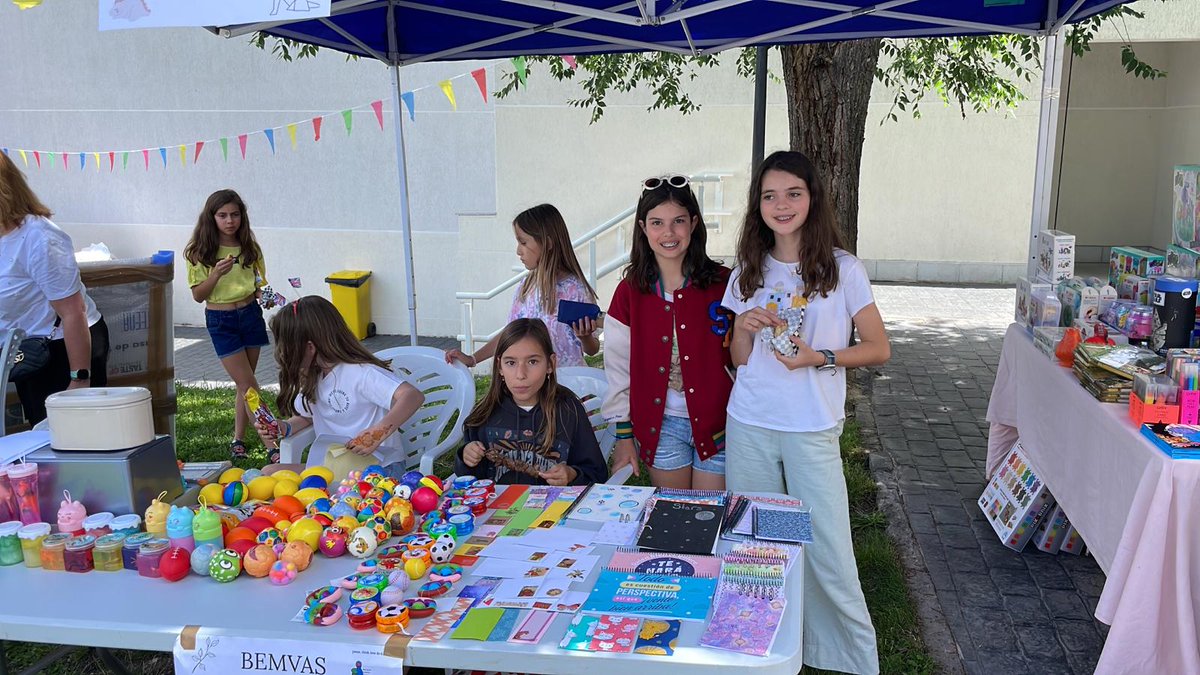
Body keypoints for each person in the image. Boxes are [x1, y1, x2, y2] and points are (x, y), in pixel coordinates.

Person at [722, 151, 891, 675]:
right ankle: (757, 647)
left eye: (793, 192)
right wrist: (744, 330)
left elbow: (879, 347)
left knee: (827, 547)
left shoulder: (842, 269)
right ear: (759, 206)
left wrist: (820, 357)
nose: (782, 205)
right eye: (769, 195)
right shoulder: (747, 270)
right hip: (750, 420)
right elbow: (738, 359)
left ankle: (846, 657)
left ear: (812, 198)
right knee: (753, 541)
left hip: (811, 425)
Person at [603, 174, 733, 490]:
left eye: (678, 221)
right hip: (661, 426)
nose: (669, 233)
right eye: (657, 223)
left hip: (721, 424)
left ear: (694, 223)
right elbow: (618, 369)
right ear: (643, 228)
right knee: (676, 514)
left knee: (709, 514)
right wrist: (623, 436)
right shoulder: (629, 292)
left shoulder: (724, 283)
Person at [253, 295, 425, 476]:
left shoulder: (361, 372)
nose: (280, 352)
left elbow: (412, 396)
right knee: (268, 472)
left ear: (310, 347)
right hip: (336, 468)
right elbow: (309, 417)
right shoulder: (314, 376)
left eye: (284, 345)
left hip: (379, 469)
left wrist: (377, 433)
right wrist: (284, 428)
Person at [0, 152, 109, 425]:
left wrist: (79, 380)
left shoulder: (39, 237)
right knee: (41, 434)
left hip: (63, 350)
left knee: (73, 438)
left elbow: (74, 311)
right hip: (27, 349)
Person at [455, 318, 608, 486]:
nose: (521, 374)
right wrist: (466, 457)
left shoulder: (568, 410)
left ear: (550, 364)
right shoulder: (485, 413)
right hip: (497, 509)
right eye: (511, 363)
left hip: (554, 509)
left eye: (532, 361)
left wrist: (572, 474)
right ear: (499, 367)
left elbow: (597, 473)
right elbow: (469, 480)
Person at [445, 204, 600, 369]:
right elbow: (511, 333)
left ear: (547, 243)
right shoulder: (527, 287)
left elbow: (593, 349)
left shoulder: (577, 290)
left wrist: (585, 337)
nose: (518, 251)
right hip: (531, 387)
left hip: (568, 387)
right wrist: (472, 359)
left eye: (523, 242)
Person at [185, 189, 271, 461]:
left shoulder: (249, 248)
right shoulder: (199, 251)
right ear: (211, 218)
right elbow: (199, 295)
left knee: (244, 385)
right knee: (249, 386)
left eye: (235, 214)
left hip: (250, 314)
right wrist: (216, 274)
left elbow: (258, 283)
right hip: (221, 320)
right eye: (222, 215)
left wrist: (263, 295)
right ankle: (272, 444)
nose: (229, 220)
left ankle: (238, 440)